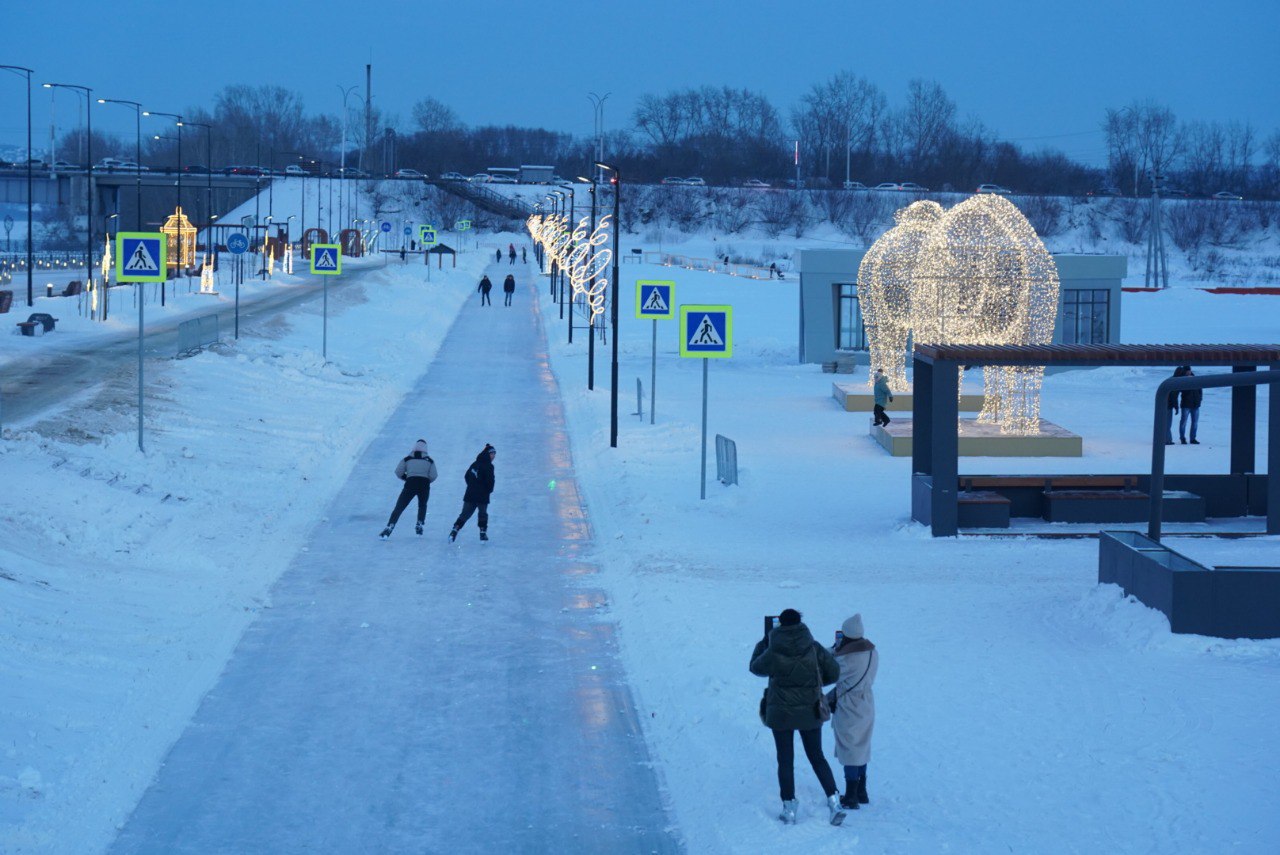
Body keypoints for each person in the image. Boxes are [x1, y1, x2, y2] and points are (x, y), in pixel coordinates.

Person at [750, 608, 846, 827]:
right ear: (801, 622)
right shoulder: (813, 646)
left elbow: (755, 667)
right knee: (817, 756)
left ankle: (790, 809)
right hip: (810, 712)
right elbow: (834, 672)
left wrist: (764, 642)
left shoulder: (774, 649)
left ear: (780, 624)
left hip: (781, 714)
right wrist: (814, 684)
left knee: (785, 760)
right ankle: (834, 801)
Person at [829, 614, 877, 810]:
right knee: (862, 747)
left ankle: (850, 795)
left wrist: (834, 650)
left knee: (849, 749)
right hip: (866, 703)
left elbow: (830, 673)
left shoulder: (847, 659)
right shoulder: (873, 652)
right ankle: (861, 791)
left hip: (849, 706)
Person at [379, 440, 439, 539]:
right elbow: (434, 475)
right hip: (424, 485)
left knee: (399, 507)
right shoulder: (430, 461)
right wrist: (427, 481)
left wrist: (406, 478)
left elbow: (398, 472)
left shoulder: (407, 459)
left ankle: (390, 526)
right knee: (422, 505)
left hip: (410, 484)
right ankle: (419, 523)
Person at [450, 444, 496, 542]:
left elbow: (467, 476)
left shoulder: (475, 464)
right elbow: (490, 481)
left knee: (465, 514)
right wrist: (489, 490)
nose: (494, 456)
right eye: (492, 454)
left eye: (494, 454)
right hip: (483, 495)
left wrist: (471, 486)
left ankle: (455, 529)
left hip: (470, 494)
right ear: (488, 454)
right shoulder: (489, 466)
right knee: (482, 514)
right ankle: (482, 533)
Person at [1179, 366, 1202, 444]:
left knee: (1195, 422)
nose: (1188, 372)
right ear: (1184, 371)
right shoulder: (1182, 379)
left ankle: (1193, 438)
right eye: (1187, 371)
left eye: (1189, 370)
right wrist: (1187, 381)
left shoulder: (1195, 378)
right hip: (1186, 404)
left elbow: (1200, 389)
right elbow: (1182, 391)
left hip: (1195, 404)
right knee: (1183, 422)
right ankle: (1182, 438)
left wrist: (1199, 400)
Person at [1166, 366, 1188, 445]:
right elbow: (1173, 397)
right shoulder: (1175, 382)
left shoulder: (1171, 379)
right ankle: (1167, 440)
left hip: (1164, 404)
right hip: (1167, 406)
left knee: (1165, 423)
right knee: (1167, 424)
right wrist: (1176, 407)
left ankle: (1165, 439)